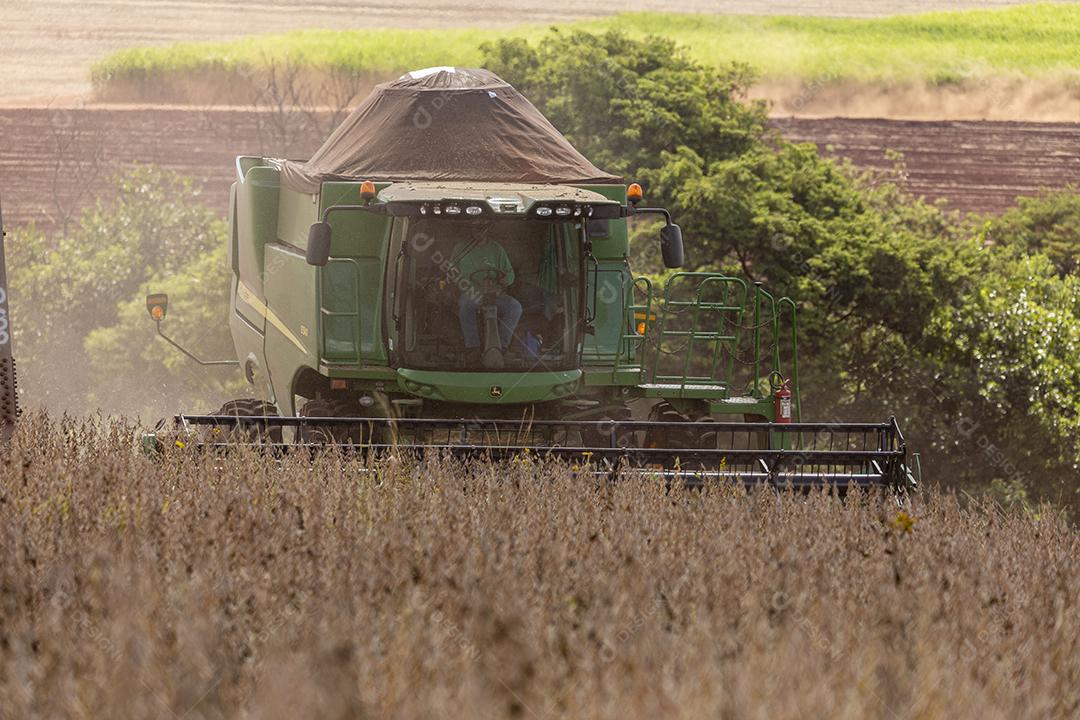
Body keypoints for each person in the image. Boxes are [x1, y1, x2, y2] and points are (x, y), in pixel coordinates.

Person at [449, 225, 522, 353]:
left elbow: (510, 274)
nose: (479, 232)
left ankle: (501, 346)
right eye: (475, 228)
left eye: (482, 228)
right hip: (471, 294)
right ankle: (473, 347)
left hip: (495, 294)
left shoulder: (496, 249)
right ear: (471, 229)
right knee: (465, 305)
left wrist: (503, 281)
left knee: (515, 307)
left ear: (487, 229)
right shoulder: (461, 248)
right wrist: (455, 278)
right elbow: (451, 270)